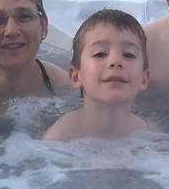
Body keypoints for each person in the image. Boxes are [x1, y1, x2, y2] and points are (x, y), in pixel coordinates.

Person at [44, 9, 155, 141]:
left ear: (144, 78)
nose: (115, 61)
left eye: (128, 54)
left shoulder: (151, 135)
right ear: (75, 76)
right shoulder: (59, 138)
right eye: (100, 54)